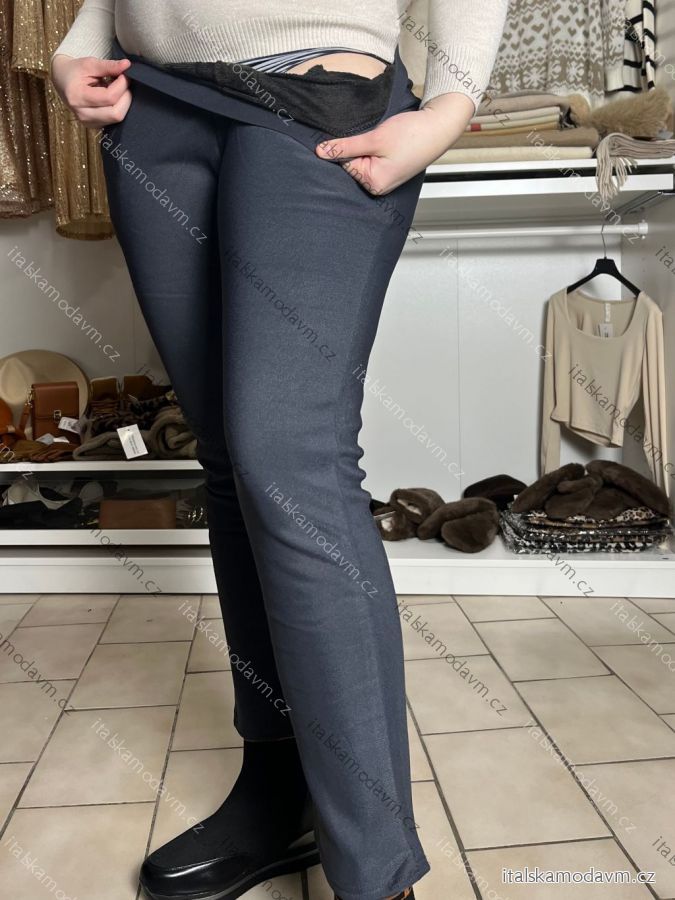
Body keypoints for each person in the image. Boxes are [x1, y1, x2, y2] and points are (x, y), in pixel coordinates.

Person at [51, 3, 507, 899]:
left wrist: (449, 108)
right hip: (154, 105)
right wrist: (78, 46)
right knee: (229, 463)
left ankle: (375, 871)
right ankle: (277, 791)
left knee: (288, 460)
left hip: (315, 97)